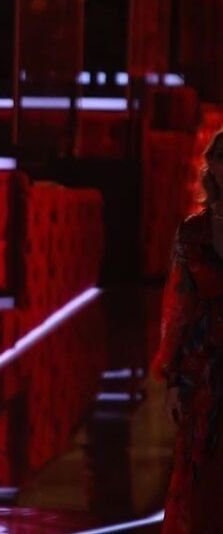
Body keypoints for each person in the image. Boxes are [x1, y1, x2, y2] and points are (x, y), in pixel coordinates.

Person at [154, 128, 223, 533]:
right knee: (199, 463)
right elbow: (178, 308)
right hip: (203, 368)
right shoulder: (193, 232)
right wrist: (174, 379)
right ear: (212, 167)